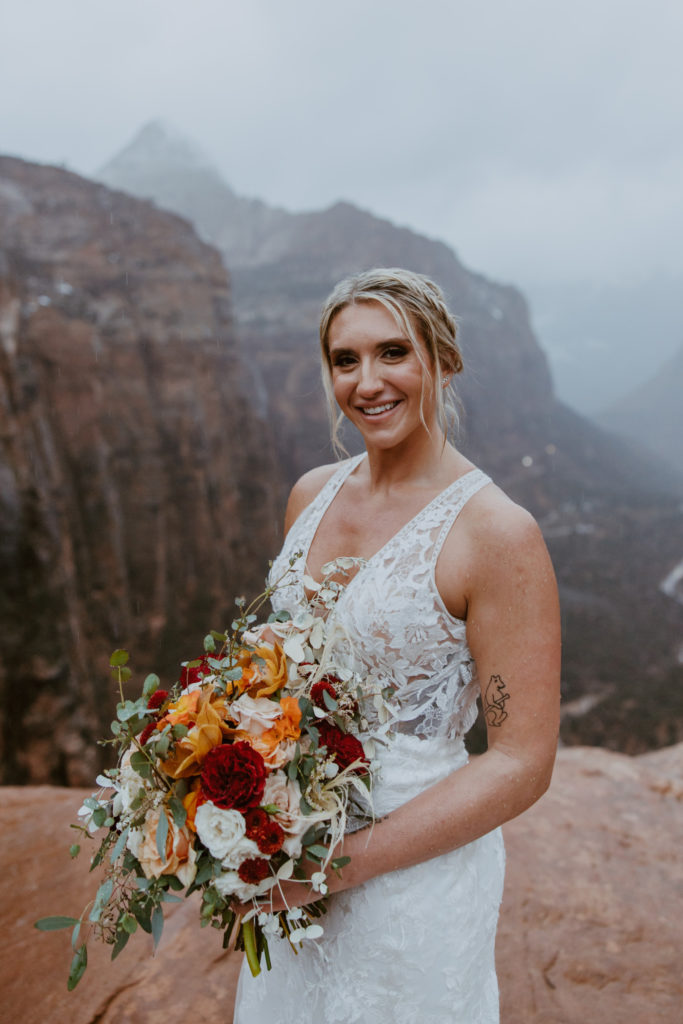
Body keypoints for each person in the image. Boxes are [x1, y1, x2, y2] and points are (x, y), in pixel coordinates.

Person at [233, 267, 561, 1023]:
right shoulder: (309, 495)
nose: (367, 382)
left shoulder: (496, 534)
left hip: (412, 884)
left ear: (442, 363)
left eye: (393, 353)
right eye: (345, 360)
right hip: (288, 861)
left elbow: (521, 762)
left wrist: (332, 868)